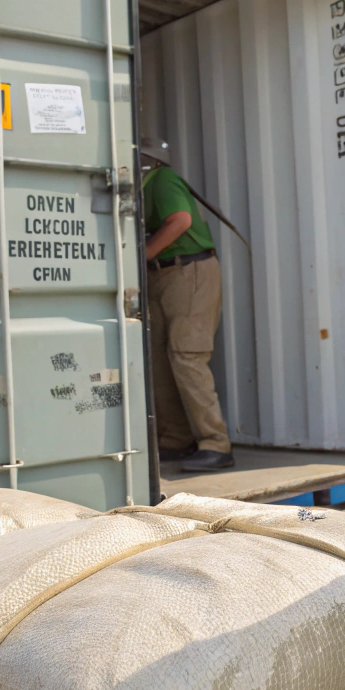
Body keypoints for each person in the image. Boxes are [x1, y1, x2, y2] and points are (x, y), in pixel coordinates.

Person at [140, 141, 234, 472]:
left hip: (188, 271)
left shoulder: (162, 179)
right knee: (161, 359)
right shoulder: (147, 184)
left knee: (186, 354)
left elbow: (179, 221)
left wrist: (145, 252)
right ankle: (175, 439)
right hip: (165, 273)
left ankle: (216, 444)